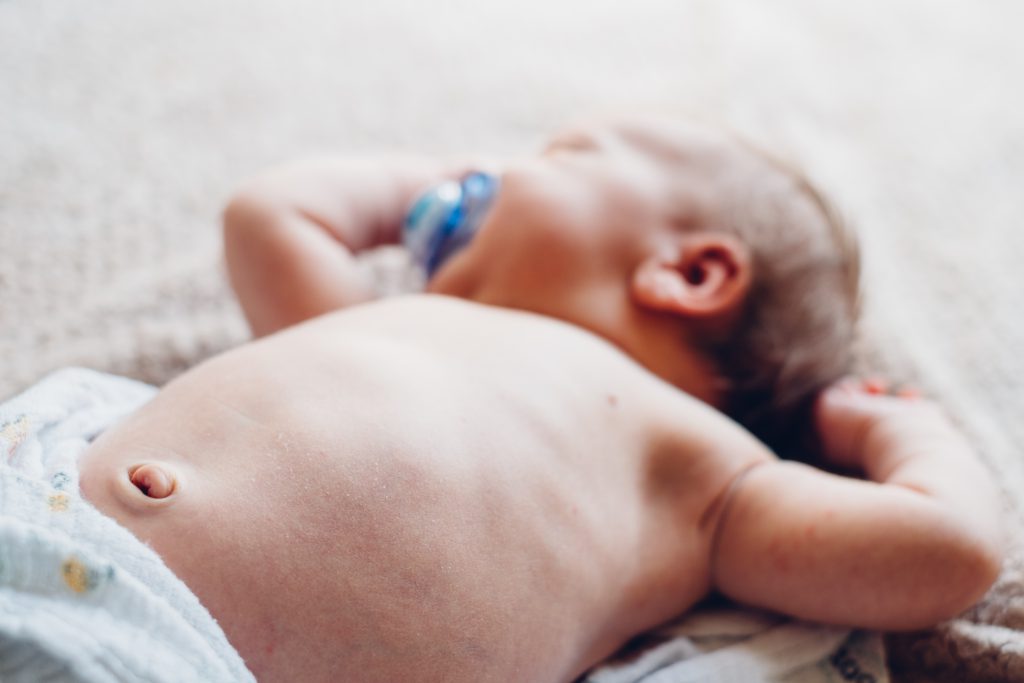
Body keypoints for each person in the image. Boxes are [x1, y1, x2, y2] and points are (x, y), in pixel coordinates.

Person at [74, 116, 1002, 683]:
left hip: (172, 650)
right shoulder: (375, 322)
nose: (491, 171)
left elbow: (946, 551)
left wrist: (897, 428)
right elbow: (270, 213)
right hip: (39, 517)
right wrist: (420, 182)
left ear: (689, 270)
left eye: (560, 152)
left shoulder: (703, 477)